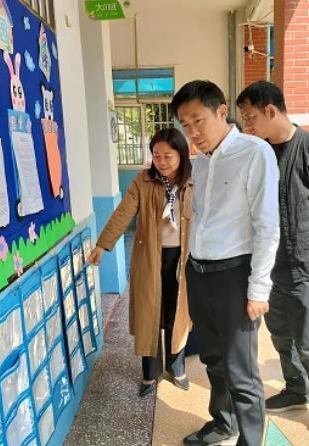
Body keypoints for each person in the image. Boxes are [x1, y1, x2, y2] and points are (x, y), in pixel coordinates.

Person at [237, 80, 309, 446]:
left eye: (250, 117)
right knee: (280, 334)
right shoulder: (260, 153)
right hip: (269, 268)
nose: (247, 126)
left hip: (304, 268)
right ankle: (296, 389)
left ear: (271, 110)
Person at [171, 80, 279, 446]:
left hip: (235, 277)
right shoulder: (200, 164)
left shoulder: (254, 153)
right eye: (185, 125)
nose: (192, 132)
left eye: (198, 121)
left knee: (241, 370)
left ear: (221, 112)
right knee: (213, 361)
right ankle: (223, 423)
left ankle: (251, 440)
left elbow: (267, 225)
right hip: (200, 275)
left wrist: (259, 288)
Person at [88, 128, 193, 397]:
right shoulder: (143, 181)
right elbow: (123, 212)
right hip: (150, 258)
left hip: (183, 258)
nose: (161, 162)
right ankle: (150, 373)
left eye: (168, 156)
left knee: (178, 312)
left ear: (181, 155)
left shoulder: (194, 181)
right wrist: (103, 244)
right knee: (149, 314)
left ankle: (176, 367)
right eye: (156, 156)